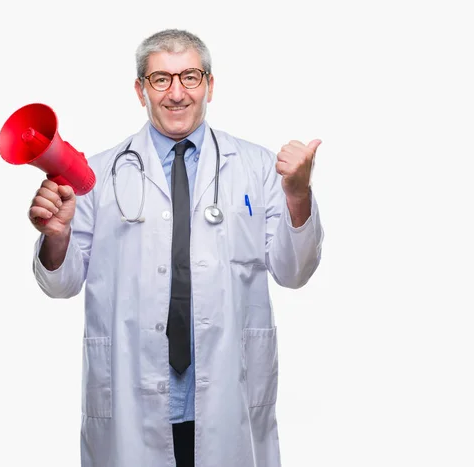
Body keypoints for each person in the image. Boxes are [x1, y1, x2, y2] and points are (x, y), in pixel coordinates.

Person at [29, 28, 324, 467]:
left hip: (229, 393)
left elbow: (293, 272)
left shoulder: (256, 167)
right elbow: (61, 284)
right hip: (133, 393)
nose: (176, 93)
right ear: (140, 90)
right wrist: (56, 236)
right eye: (160, 79)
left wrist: (298, 194)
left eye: (189, 76)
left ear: (209, 84)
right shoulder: (97, 175)